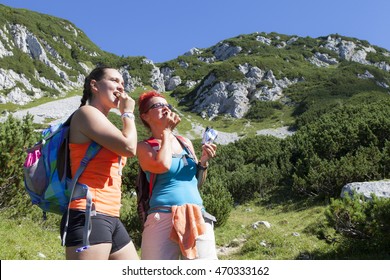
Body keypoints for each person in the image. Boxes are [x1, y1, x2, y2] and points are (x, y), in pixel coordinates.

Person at [60, 66, 139, 260]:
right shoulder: (86, 113)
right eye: (114, 81)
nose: (120, 87)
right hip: (89, 212)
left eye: (122, 82)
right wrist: (127, 114)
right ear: (94, 85)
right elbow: (129, 148)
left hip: (109, 214)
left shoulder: (104, 123)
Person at [136, 90, 218, 260]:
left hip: (197, 215)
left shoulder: (185, 142)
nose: (165, 108)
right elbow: (162, 165)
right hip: (162, 218)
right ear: (145, 116)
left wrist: (203, 162)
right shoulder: (144, 147)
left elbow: (196, 183)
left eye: (167, 105)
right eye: (158, 105)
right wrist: (166, 132)